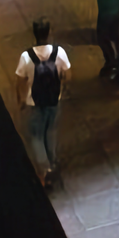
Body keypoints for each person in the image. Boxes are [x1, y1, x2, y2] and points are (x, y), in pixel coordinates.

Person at [14, 19, 70, 188]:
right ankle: (52, 162)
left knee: (36, 136)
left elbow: (20, 80)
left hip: (34, 102)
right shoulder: (59, 52)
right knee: (50, 131)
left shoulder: (26, 56)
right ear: (49, 33)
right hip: (54, 100)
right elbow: (68, 75)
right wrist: (61, 89)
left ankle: (44, 170)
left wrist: (22, 99)